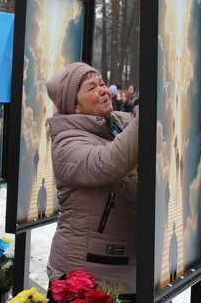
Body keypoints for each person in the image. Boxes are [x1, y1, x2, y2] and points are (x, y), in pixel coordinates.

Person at [45, 62, 138, 300]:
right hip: (85, 276)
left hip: (131, 268)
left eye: (103, 84)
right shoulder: (66, 143)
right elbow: (108, 162)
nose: (104, 90)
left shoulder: (121, 124)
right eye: (92, 88)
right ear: (74, 107)